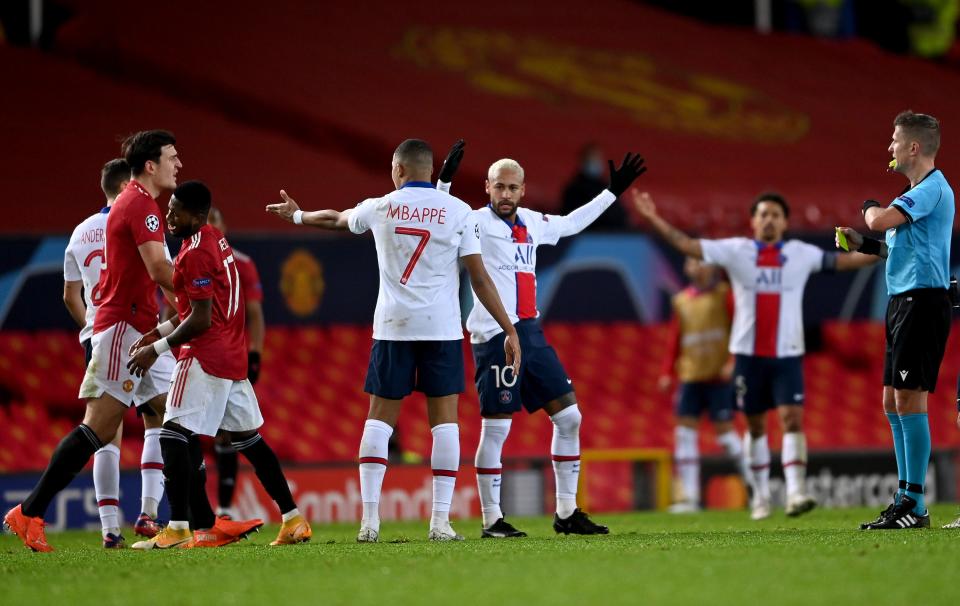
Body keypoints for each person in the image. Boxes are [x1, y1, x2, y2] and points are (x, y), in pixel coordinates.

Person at [266, 138, 521, 542]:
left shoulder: (381, 206)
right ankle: (440, 522)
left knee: (379, 418)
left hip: (393, 327)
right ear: (429, 170)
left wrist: (297, 216)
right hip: (441, 328)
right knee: (445, 423)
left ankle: (369, 523)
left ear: (399, 170)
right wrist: (509, 329)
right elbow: (478, 276)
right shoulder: (459, 212)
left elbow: (335, 219)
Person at [635, 189, 880, 520]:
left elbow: (846, 261)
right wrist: (653, 218)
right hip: (748, 356)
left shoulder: (799, 253)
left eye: (775, 215)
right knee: (755, 427)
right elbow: (688, 246)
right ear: (753, 221)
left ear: (784, 222)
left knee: (792, 420)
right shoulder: (737, 251)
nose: (768, 219)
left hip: (787, 354)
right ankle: (761, 496)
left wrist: (886, 246)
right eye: (763, 214)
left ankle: (795, 492)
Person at [438, 152, 644, 537]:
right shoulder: (473, 221)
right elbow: (442, 214)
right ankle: (491, 520)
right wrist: (445, 183)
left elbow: (570, 224)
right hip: (494, 335)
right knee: (496, 428)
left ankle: (566, 513)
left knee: (569, 417)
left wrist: (612, 193)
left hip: (531, 331)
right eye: (498, 185)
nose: (505, 193)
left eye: (512, 187)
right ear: (486, 187)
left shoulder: (533, 222)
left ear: (522, 190)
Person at [4, 130, 181, 552]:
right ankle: (30, 510)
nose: (180, 164)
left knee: (179, 411)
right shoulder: (141, 205)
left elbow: (73, 295)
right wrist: (201, 304)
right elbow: (159, 270)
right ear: (150, 165)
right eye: (173, 157)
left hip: (132, 328)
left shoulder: (120, 210)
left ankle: (187, 519)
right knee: (99, 428)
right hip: (125, 328)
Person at [128, 181, 311, 549]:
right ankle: (293, 519)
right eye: (168, 209)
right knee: (250, 440)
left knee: (173, 433)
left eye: (176, 211)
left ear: (198, 217)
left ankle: (178, 528)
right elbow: (194, 305)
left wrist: (159, 348)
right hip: (232, 355)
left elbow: (200, 318)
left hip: (204, 355)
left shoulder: (195, 253)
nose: (168, 216)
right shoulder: (213, 239)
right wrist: (158, 330)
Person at [837, 110, 954, 530]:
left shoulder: (931, 189)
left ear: (913, 147)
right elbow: (896, 248)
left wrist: (869, 207)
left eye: (894, 140)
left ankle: (915, 503)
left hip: (922, 304)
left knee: (909, 399)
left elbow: (879, 216)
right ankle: (906, 496)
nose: (889, 147)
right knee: (892, 400)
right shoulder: (916, 194)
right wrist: (864, 243)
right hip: (902, 302)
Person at [62, 158, 167, 547]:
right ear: (128, 184)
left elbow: (69, 294)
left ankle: (109, 529)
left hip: (98, 332)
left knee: (108, 434)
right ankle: (148, 513)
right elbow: (160, 272)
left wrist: (88, 328)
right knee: (159, 417)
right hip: (133, 328)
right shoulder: (134, 219)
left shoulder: (80, 232)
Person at [658, 258, 745, 513]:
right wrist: (667, 372)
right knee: (684, 433)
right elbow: (675, 338)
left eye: (701, 262)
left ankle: (755, 486)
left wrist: (733, 360)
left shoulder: (724, 295)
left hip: (719, 376)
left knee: (726, 435)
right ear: (686, 268)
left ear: (712, 267)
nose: (696, 267)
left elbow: (739, 329)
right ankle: (690, 498)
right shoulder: (681, 300)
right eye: (692, 262)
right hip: (691, 376)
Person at [207, 206, 265, 519]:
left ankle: (225, 508)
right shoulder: (186, 261)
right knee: (185, 430)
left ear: (224, 227)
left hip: (231, 357)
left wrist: (255, 352)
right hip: (198, 355)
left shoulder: (242, 264)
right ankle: (187, 513)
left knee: (230, 430)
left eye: (216, 224)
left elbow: (255, 314)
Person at [560, 143, 629, 231]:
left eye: (597, 159)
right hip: (588, 238)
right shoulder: (573, 190)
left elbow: (620, 214)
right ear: (583, 161)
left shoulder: (607, 186)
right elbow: (573, 219)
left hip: (613, 237)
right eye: (592, 160)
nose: (596, 162)